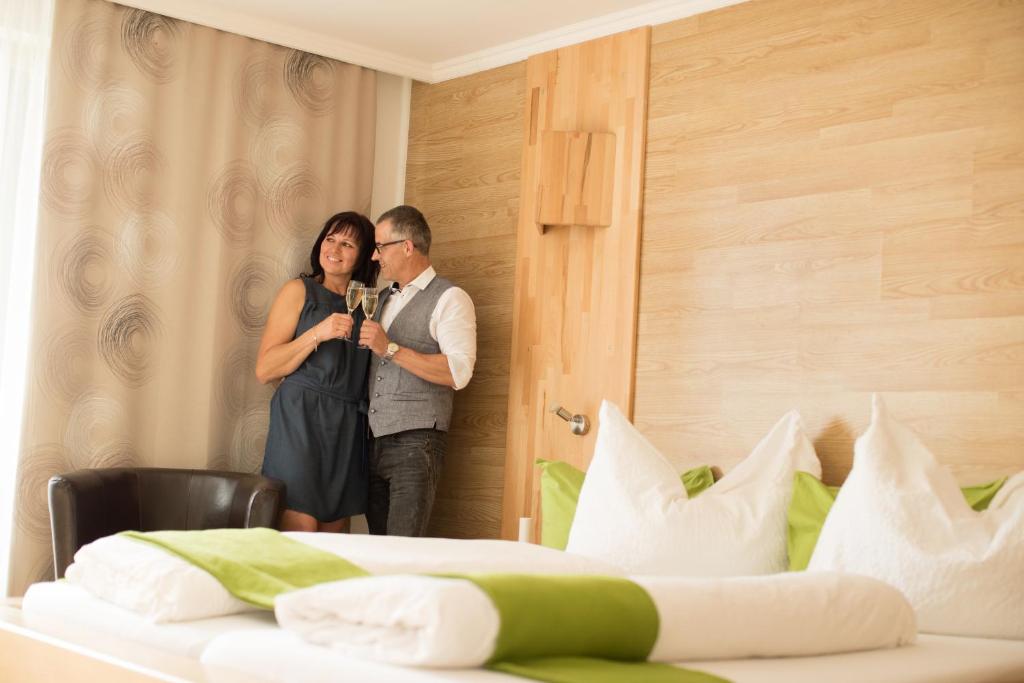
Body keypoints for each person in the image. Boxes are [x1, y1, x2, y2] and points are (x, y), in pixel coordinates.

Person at [256, 211, 379, 532]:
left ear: (365, 255)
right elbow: (265, 369)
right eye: (330, 239)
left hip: (348, 424)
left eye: (347, 244)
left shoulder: (371, 304)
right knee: (301, 529)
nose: (334, 250)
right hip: (300, 419)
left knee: (334, 540)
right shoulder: (299, 291)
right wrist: (317, 334)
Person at [358, 205, 477, 536]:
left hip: (416, 444)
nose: (374, 256)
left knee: (403, 549)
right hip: (372, 442)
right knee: (379, 548)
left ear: (406, 246)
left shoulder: (451, 298)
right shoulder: (380, 298)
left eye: (380, 246)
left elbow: (458, 371)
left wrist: (390, 349)